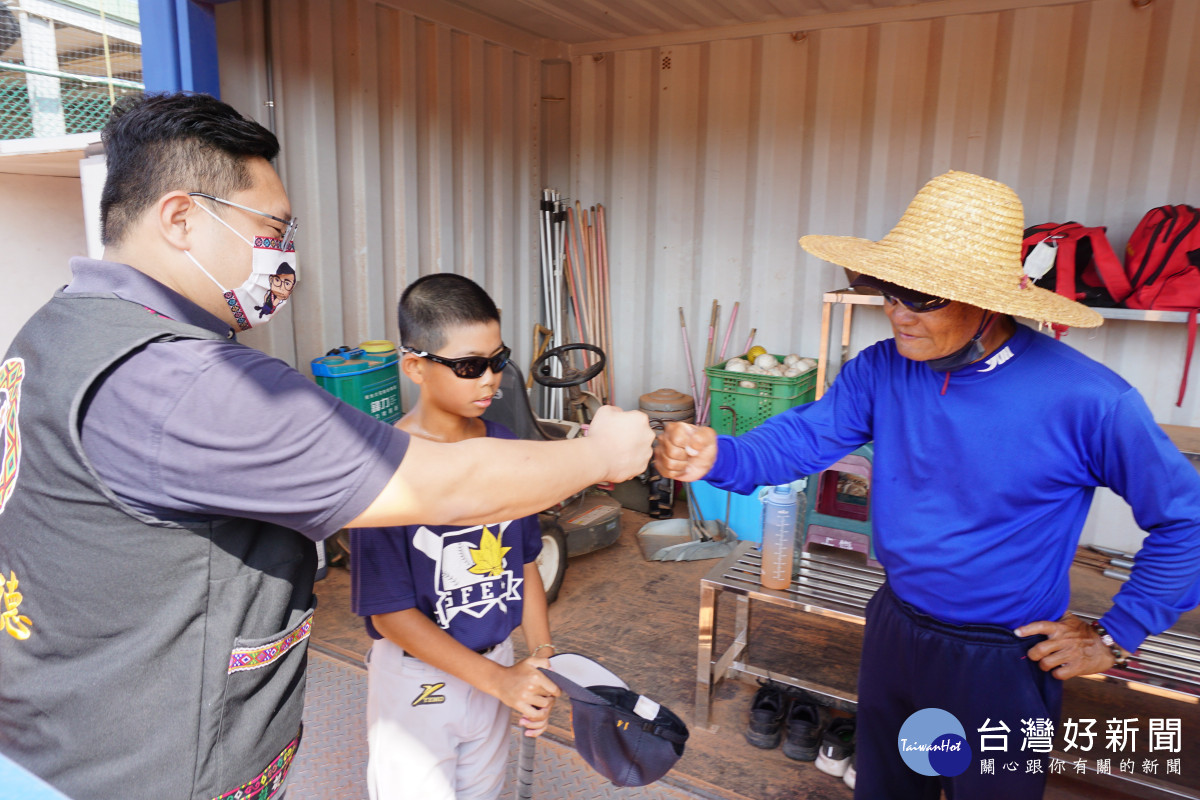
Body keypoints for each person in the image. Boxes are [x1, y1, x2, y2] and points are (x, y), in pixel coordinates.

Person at [0, 93, 652, 800]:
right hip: (137, 771)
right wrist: (601, 454)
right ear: (181, 217)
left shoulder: (59, 332)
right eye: (271, 227)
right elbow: (439, 487)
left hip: (58, 734)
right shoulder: (181, 380)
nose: (283, 253)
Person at [656, 171, 1200, 800]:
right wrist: (720, 453)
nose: (896, 311)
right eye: (888, 289)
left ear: (988, 301)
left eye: (922, 296)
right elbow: (803, 440)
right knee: (890, 787)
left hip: (1003, 658)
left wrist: (1115, 633)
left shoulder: (1088, 400)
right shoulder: (881, 370)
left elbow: (1184, 519)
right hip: (897, 629)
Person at [350, 273, 560, 800]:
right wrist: (502, 684)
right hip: (419, 685)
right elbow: (389, 615)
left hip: (496, 664)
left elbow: (526, 563)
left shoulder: (506, 448)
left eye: (498, 360)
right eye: (468, 366)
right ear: (415, 366)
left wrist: (539, 658)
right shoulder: (383, 467)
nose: (489, 379)